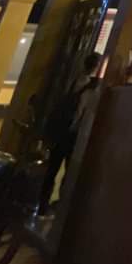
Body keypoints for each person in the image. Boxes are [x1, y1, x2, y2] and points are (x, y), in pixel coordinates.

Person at [37, 52, 102, 213]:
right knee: (69, 172)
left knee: (52, 170)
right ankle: (61, 206)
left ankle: (42, 206)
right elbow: (85, 113)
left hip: (61, 132)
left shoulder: (72, 81)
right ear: (97, 67)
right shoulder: (92, 88)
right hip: (74, 135)